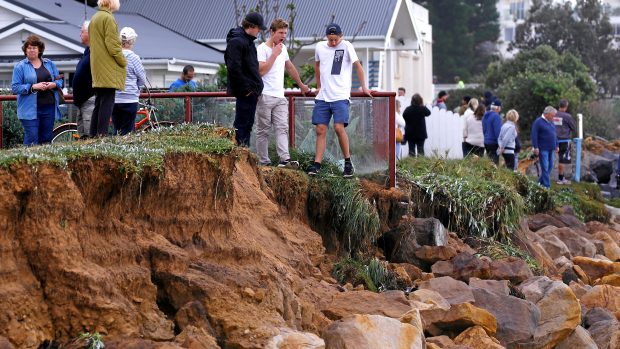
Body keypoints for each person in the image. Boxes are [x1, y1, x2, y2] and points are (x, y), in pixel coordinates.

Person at [306, 23, 373, 177]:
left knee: (338, 127)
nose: (333, 42)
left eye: (336, 39)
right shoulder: (320, 47)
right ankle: (317, 164)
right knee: (320, 129)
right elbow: (317, 66)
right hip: (323, 96)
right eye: (330, 40)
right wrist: (319, 85)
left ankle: (348, 163)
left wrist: (364, 87)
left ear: (341, 36)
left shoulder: (347, 46)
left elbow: (358, 67)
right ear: (326, 38)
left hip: (340, 95)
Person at [255, 18, 310, 167]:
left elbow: (290, 67)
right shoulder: (262, 49)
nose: (283, 36)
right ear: (272, 32)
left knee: (282, 128)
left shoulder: (283, 48)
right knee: (263, 131)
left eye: (285, 33)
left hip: (280, 96)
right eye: (280, 32)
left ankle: (284, 159)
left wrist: (301, 85)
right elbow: (261, 71)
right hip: (265, 95)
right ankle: (263, 161)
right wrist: (274, 54)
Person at [11, 35, 63, 145]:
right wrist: (33, 87)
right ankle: (28, 162)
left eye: (34, 48)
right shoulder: (20, 67)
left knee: (46, 139)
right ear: (25, 50)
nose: (32, 50)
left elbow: (60, 81)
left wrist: (53, 84)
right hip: (29, 109)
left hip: (49, 107)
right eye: (29, 48)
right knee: (32, 138)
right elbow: (15, 88)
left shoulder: (50, 64)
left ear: (40, 50)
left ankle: (44, 162)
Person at [225, 12, 265, 147]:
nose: (259, 31)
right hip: (245, 92)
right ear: (252, 26)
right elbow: (233, 68)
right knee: (242, 124)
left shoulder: (247, 41)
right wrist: (247, 89)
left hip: (250, 91)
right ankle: (240, 154)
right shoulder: (238, 41)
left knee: (247, 124)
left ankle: (244, 152)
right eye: (259, 28)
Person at [89, 0, 127, 137]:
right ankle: (102, 135)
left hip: (97, 67)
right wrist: (123, 61)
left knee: (99, 103)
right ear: (112, 3)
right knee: (107, 103)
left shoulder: (95, 18)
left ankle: (93, 135)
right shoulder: (108, 18)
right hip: (108, 68)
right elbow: (113, 46)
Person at [112, 27, 146, 135]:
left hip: (114, 98)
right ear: (131, 41)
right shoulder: (134, 58)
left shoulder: (113, 56)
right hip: (129, 99)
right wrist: (137, 86)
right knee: (128, 132)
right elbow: (142, 79)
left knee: (117, 129)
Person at [72, 20, 95, 139]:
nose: (80, 34)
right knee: (82, 136)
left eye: (82, 31)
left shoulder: (96, 51)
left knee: (90, 135)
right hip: (81, 102)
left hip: (90, 100)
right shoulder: (87, 51)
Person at [531, 106, 559, 188]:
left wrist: (557, 144)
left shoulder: (551, 122)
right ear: (547, 114)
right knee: (545, 167)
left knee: (550, 167)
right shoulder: (538, 122)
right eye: (552, 115)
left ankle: (539, 182)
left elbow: (554, 134)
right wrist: (535, 147)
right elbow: (534, 135)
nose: (553, 117)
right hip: (543, 149)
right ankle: (547, 186)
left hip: (552, 148)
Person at [554, 99, 576, 184]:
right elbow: (573, 127)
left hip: (554, 139)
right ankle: (561, 179)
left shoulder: (553, 114)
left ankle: (547, 177)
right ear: (566, 107)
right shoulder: (567, 116)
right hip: (564, 140)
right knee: (562, 160)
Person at [482, 99, 502, 165]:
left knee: (490, 162)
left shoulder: (485, 115)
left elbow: (484, 129)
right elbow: (498, 132)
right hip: (494, 143)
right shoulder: (496, 116)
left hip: (486, 141)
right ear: (498, 108)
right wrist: (500, 144)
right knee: (495, 164)